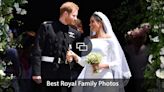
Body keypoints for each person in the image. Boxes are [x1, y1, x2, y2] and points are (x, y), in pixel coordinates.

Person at [67, 11, 131, 92]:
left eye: (92, 22)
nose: (89, 24)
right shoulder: (88, 40)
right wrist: (74, 56)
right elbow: (84, 62)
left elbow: (117, 62)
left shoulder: (110, 40)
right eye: (89, 22)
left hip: (104, 77)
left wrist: (102, 65)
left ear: (100, 23)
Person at [31, 2, 81, 92]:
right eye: (74, 16)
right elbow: (37, 51)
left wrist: (72, 59)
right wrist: (36, 73)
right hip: (47, 71)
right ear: (65, 14)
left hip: (65, 73)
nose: (75, 19)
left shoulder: (75, 33)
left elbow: (77, 54)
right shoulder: (47, 27)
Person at [124, 23, 151, 92]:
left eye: (140, 38)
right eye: (135, 38)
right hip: (133, 78)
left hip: (144, 77)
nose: (137, 40)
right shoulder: (127, 49)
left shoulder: (148, 49)